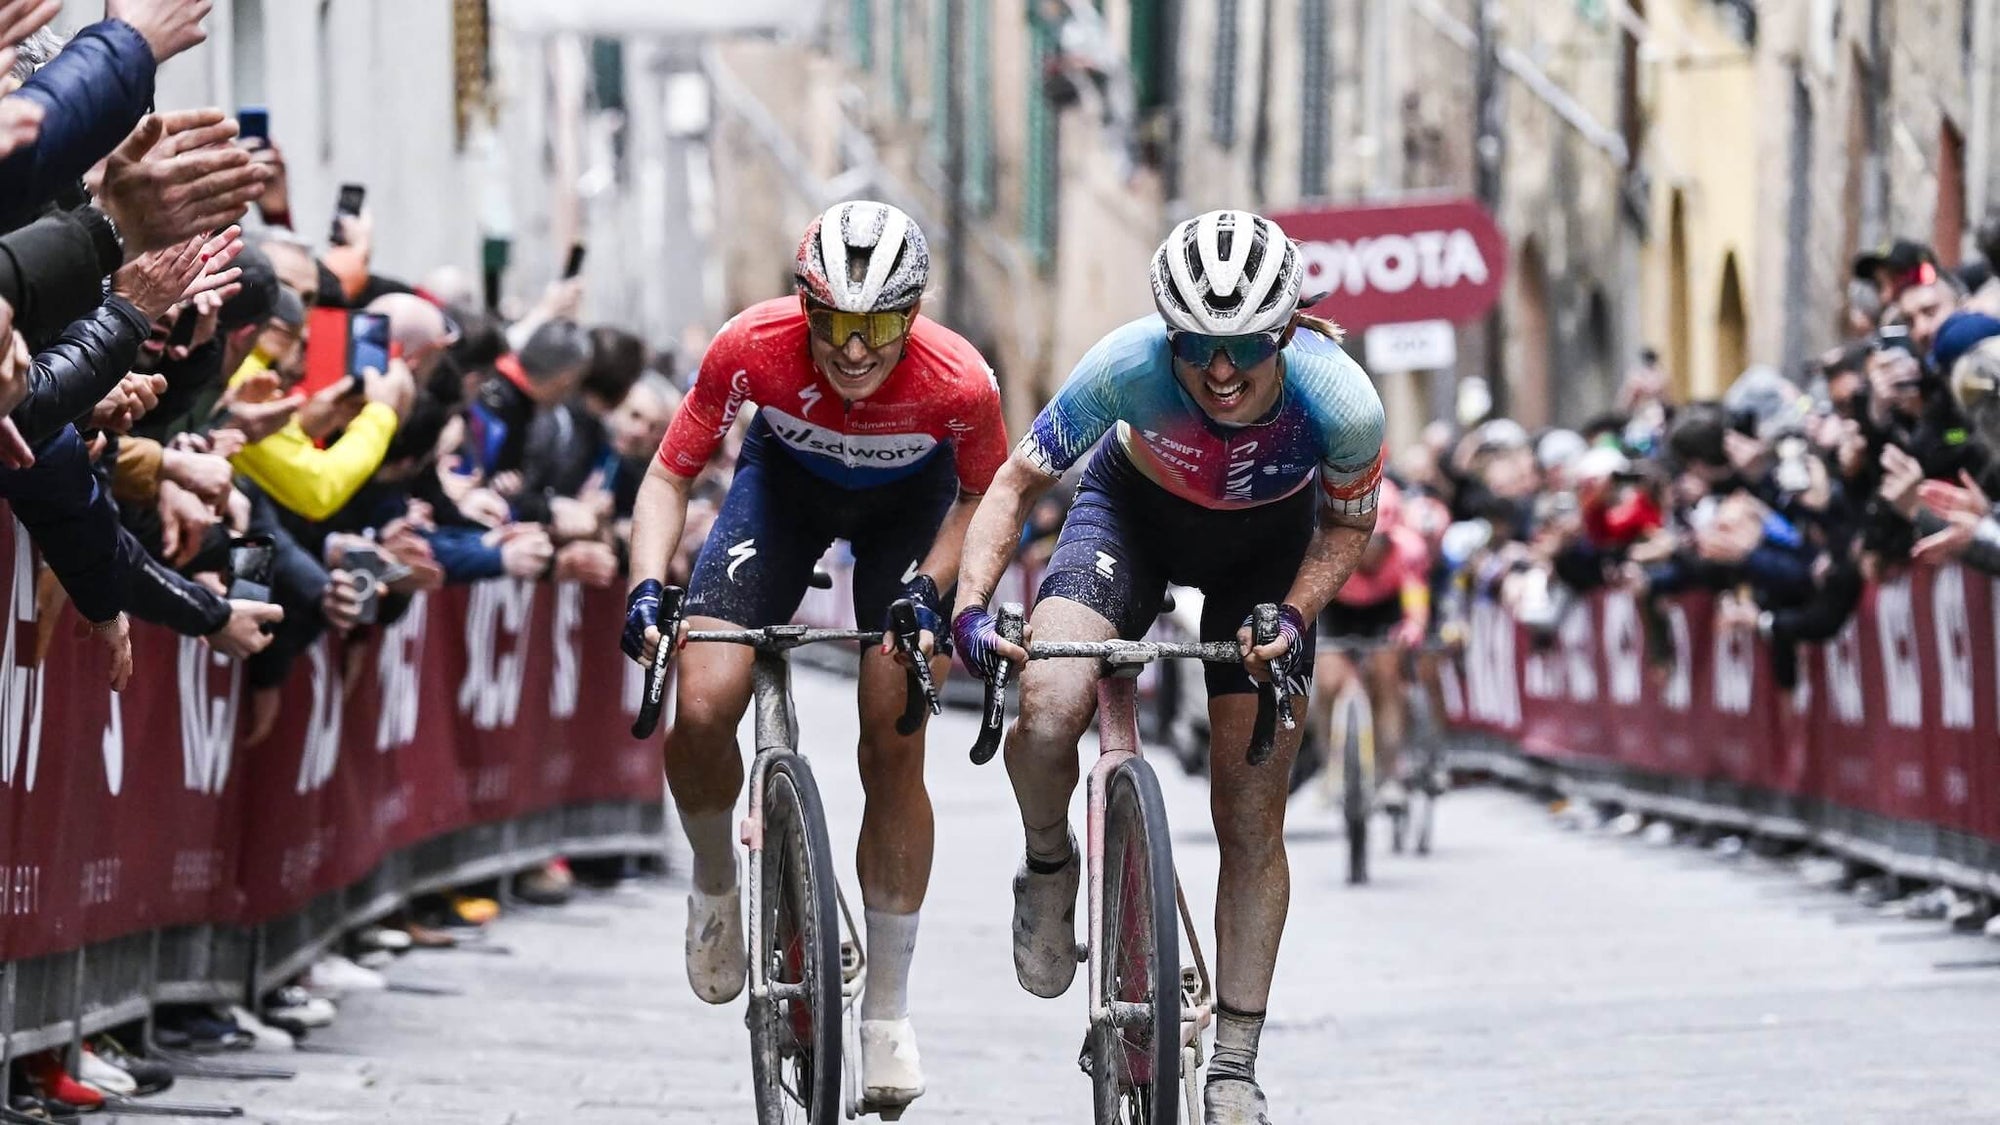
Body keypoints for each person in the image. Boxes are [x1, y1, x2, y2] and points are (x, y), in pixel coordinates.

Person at [948, 209, 1385, 1125]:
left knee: (1250, 804)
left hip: (1264, 555)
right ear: (1167, 332)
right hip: (1130, 520)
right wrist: (972, 606)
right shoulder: (1125, 364)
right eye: (1197, 347)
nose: (1220, 372)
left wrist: (1298, 612)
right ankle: (1048, 860)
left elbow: (1350, 524)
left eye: (1246, 350)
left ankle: (1232, 1063)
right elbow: (1017, 483)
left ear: (1288, 333)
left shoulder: (1341, 400)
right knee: (1054, 695)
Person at [621, 200, 1007, 1110]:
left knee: (894, 738)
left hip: (909, 514)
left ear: (909, 318)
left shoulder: (962, 382)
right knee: (705, 701)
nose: (856, 349)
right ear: (805, 309)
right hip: (781, 496)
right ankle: (716, 881)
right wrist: (646, 583)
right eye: (835, 324)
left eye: (878, 326)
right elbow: (671, 473)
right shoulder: (750, 346)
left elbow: (989, 498)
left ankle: (887, 1015)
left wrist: (934, 586)